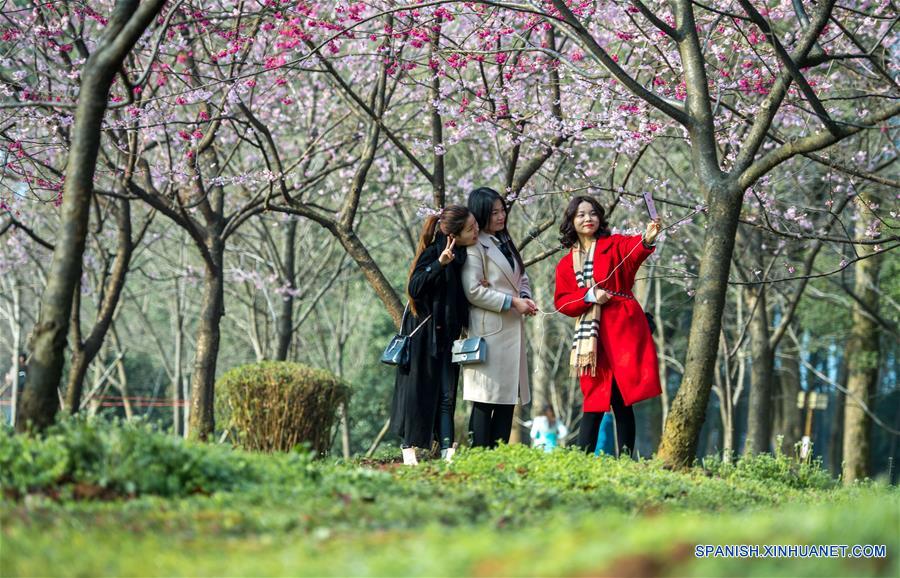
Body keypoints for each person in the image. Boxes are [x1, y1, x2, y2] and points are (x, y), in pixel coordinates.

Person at [553, 195, 662, 457]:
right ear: (571, 221)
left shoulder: (613, 245)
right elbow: (562, 302)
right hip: (591, 339)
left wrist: (648, 237)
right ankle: (585, 458)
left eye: (592, 213)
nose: (587, 218)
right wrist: (590, 295)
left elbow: (634, 252)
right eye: (580, 214)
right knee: (595, 396)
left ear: (600, 218)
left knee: (622, 398)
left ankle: (618, 459)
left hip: (622, 330)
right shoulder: (566, 264)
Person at [390, 205, 481, 465]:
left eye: (475, 226)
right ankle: (408, 447)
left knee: (446, 393)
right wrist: (438, 265)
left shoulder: (463, 257)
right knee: (417, 391)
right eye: (470, 229)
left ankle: (446, 449)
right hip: (423, 336)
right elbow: (414, 287)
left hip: (447, 337)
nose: (476, 231)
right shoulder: (434, 253)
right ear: (453, 234)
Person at [461, 187, 537, 448]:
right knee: (485, 399)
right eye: (494, 212)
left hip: (512, 327)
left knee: (507, 399)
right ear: (481, 214)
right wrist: (512, 302)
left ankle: (499, 457)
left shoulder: (504, 241)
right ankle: (479, 455)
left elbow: (521, 277)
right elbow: (473, 291)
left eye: (502, 209)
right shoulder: (475, 245)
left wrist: (524, 296)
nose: (501, 216)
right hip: (489, 331)